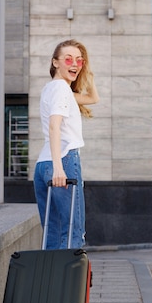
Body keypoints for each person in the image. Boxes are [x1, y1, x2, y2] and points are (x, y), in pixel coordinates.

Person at [33, 39, 99, 249]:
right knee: (72, 231)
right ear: (55, 62)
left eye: (79, 61)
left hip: (43, 164)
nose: (74, 64)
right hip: (63, 160)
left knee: (52, 232)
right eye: (68, 59)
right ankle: (69, 282)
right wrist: (59, 168)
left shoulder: (52, 89)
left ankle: (51, 281)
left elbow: (92, 98)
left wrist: (88, 73)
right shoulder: (61, 89)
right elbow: (55, 126)